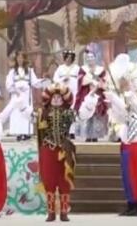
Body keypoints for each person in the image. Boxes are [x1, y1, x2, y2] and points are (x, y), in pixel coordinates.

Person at [36, 84, 91, 222]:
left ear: (64, 100)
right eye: (53, 97)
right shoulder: (42, 112)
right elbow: (31, 119)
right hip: (48, 150)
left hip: (64, 150)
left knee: (64, 181)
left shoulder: (68, 113)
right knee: (49, 180)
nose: (56, 99)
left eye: (59, 97)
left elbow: (82, 115)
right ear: (49, 99)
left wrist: (90, 100)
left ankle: (64, 212)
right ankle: (51, 213)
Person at [105, 79, 137, 216]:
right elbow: (121, 115)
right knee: (131, 178)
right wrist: (114, 101)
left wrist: (131, 94)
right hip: (130, 146)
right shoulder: (129, 111)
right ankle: (133, 203)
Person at [75, 50, 108, 142]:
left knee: (96, 113)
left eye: (92, 57)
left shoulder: (100, 70)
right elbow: (80, 80)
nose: (90, 59)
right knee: (87, 113)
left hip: (97, 94)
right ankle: (87, 135)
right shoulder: (83, 69)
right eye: (88, 57)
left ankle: (95, 135)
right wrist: (89, 80)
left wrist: (97, 83)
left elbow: (104, 81)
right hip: (86, 94)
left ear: (95, 58)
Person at [6, 51, 38, 141]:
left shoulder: (30, 71)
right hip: (17, 95)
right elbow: (8, 84)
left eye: (22, 58)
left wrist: (43, 81)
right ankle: (18, 132)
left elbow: (35, 82)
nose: (20, 60)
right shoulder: (12, 72)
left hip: (26, 95)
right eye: (18, 58)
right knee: (17, 112)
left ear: (24, 59)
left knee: (26, 112)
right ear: (16, 59)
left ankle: (26, 132)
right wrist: (15, 90)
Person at [53, 51, 80, 137]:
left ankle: (72, 131)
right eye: (67, 57)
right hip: (64, 90)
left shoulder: (76, 68)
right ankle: (64, 130)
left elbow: (80, 78)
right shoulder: (60, 68)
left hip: (74, 91)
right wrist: (62, 79)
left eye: (70, 58)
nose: (69, 59)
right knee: (64, 110)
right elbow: (55, 79)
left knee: (72, 111)